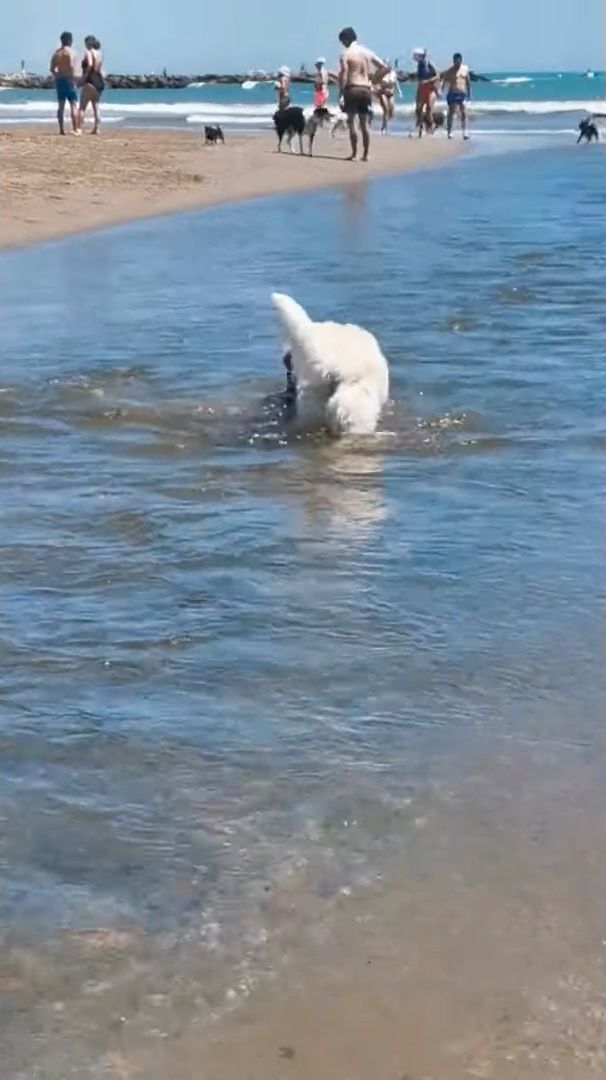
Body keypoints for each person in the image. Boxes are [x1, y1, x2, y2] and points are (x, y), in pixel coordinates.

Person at [338, 26, 388, 161]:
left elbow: (344, 73)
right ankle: (366, 154)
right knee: (364, 123)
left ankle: (354, 154)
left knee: (352, 122)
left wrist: (341, 92)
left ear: (347, 39)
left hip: (352, 88)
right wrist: (374, 80)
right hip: (366, 89)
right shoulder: (367, 52)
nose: (342, 43)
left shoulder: (346, 53)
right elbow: (385, 67)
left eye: (343, 40)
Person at [50, 31, 80, 135]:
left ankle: (61, 129)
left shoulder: (57, 53)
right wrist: (73, 78)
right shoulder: (72, 52)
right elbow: (72, 66)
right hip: (69, 80)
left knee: (61, 105)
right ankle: (75, 128)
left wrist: (57, 75)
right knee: (73, 105)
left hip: (60, 80)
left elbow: (52, 69)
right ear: (70, 40)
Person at [441, 52, 471, 140]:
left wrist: (469, 94)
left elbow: (468, 82)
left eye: (458, 61)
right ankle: (450, 132)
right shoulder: (449, 71)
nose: (456, 63)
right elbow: (444, 82)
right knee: (451, 113)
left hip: (462, 93)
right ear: (453, 61)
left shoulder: (465, 69)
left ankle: (465, 133)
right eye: (455, 61)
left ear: (461, 60)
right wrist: (441, 91)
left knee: (464, 113)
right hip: (452, 93)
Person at [79, 36, 104, 134]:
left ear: (89, 43)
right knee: (96, 106)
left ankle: (79, 128)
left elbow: (89, 65)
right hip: (99, 80)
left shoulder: (89, 52)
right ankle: (96, 128)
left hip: (90, 80)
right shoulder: (100, 54)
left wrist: (83, 78)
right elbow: (100, 68)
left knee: (82, 106)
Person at [411, 47, 438, 137]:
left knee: (429, 109)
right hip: (421, 88)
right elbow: (419, 75)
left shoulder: (429, 63)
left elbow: (437, 76)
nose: (415, 57)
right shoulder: (419, 64)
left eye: (417, 56)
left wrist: (428, 81)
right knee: (418, 109)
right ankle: (421, 126)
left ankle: (432, 125)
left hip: (430, 88)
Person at [376, 61, 401, 133]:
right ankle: (384, 127)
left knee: (391, 111)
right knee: (386, 109)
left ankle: (385, 122)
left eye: (387, 63)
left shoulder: (393, 73)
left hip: (391, 93)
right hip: (382, 93)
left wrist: (399, 91)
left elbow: (396, 82)